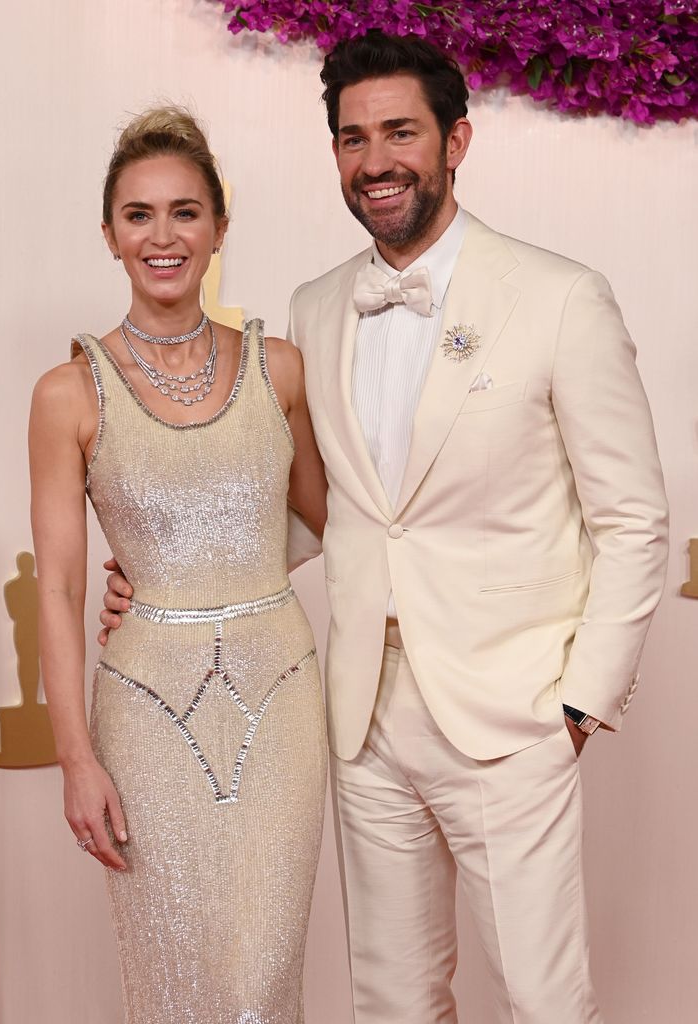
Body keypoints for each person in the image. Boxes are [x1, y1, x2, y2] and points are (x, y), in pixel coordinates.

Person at [101, 33, 669, 1024]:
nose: (374, 161)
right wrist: (170, 566)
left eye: (399, 132)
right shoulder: (315, 309)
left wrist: (577, 703)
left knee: (542, 1001)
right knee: (394, 1005)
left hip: (511, 711)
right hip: (359, 717)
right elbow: (331, 510)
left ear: (455, 140)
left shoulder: (557, 297)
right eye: (351, 138)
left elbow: (631, 519)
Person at [29, 107, 328, 1024]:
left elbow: (341, 527)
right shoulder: (66, 392)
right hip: (145, 717)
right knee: (178, 983)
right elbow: (62, 587)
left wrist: (214, 564)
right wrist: (75, 758)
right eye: (140, 215)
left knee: (264, 973)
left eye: (186, 212)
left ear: (219, 229)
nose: (164, 236)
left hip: (280, 700)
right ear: (112, 235)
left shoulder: (279, 368)